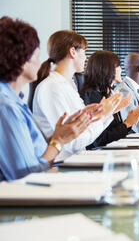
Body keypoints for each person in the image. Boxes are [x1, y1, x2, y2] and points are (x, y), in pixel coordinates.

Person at [0, 17, 92, 181]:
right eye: (35, 56)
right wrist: (58, 140)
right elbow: (27, 175)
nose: (39, 62)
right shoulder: (6, 105)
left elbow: (31, 151)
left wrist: (58, 136)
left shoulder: (15, 100)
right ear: (20, 60)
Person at [32, 30, 126, 160]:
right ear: (72, 52)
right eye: (84, 52)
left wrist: (102, 114)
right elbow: (72, 142)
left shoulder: (68, 86)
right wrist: (103, 115)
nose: (86, 57)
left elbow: (82, 133)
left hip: (75, 159)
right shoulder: (53, 87)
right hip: (61, 164)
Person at [80, 51, 139, 148]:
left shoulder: (107, 94)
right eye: (118, 66)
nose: (121, 69)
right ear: (108, 69)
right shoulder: (93, 96)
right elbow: (99, 139)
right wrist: (127, 123)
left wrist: (131, 118)